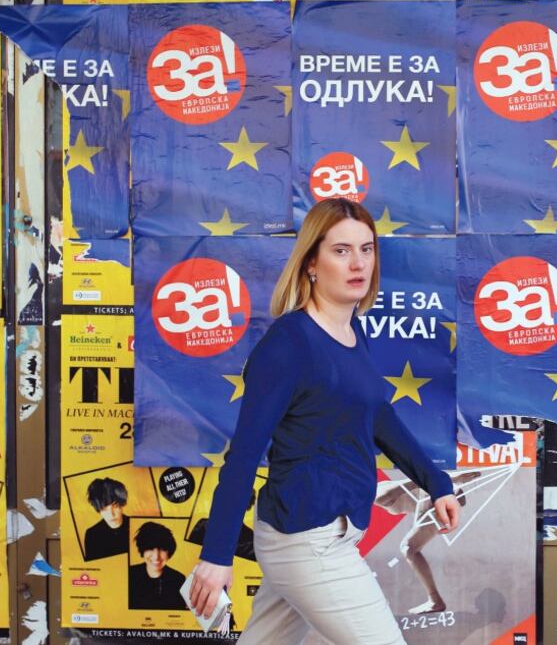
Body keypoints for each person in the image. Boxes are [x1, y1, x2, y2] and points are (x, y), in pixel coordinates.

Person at [189, 198, 461, 644]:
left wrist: (436, 482)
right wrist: (217, 555)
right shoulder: (289, 344)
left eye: (367, 249)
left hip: (316, 531)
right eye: (341, 251)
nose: (359, 264)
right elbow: (243, 456)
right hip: (308, 539)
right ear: (311, 262)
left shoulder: (354, 333)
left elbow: (378, 417)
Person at [374, 470, 481, 614]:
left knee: (408, 548)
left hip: (434, 497)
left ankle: (435, 600)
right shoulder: (380, 490)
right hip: (436, 498)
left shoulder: (379, 494)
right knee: (409, 548)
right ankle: (435, 600)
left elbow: (387, 495)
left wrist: (443, 479)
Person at [128, 521, 187, 610]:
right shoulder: (129, 575)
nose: (156, 556)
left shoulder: (178, 579)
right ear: (142, 550)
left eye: (162, 549)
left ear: (169, 551)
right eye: (150, 548)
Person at [82, 477, 129, 561]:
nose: (111, 514)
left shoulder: (137, 526)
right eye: (104, 508)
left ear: (122, 505)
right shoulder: (92, 534)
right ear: (98, 509)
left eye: (115, 507)